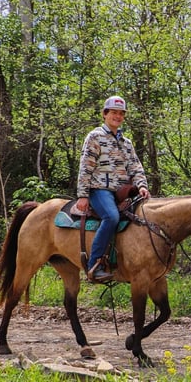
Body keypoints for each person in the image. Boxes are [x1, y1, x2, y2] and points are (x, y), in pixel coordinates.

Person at [76, 95, 150, 283]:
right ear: (105, 114)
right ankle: (95, 265)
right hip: (100, 189)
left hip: (123, 191)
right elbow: (86, 167)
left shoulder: (126, 143)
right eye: (113, 113)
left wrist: (142, 186)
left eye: (121, 113)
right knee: (112, 217)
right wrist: (83, 195)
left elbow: (136, 167)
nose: (117, 116)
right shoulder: (95, 137)